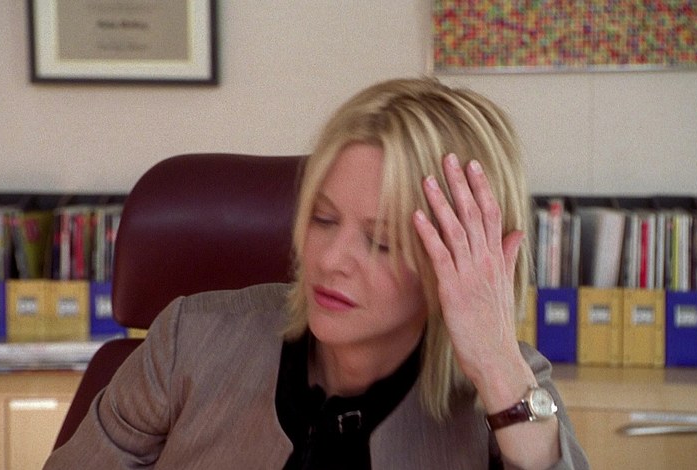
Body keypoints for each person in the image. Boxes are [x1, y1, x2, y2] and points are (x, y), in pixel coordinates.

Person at [45, 77, 588, 469]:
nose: (330, 259)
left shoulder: (509, 387)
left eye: (381, 241)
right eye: (323, 219)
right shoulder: (190, 340)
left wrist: (498, 372)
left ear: (462, 258)